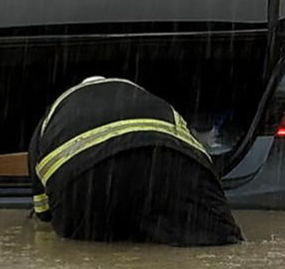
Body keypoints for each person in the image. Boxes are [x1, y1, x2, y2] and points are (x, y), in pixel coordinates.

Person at [29, 76, 243, 245]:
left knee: (95, 249)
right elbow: (198, 155)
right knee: (221, 241)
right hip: (167, 167)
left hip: (86, 185)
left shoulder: (50, 119)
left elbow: (43, 213)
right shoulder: (152, 102)